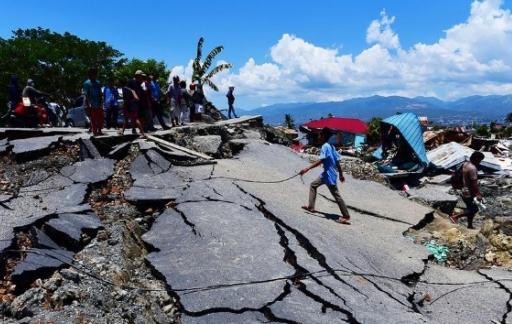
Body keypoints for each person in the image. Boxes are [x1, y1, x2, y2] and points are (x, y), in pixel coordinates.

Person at [300, 127, 351, 225]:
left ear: (323, 136)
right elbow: (337, 162)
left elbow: (321, 160)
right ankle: (311, 207)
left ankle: (346, 216)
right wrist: (340, 174)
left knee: (336, 195)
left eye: (320, 134)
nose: (318, 136)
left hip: (328, 175)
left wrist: (307, 168)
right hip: (327, 174)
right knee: (313, 185)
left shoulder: (325, 146)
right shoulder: (331, 146)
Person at [450, 151, 485, 229]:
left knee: (470, 208)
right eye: (480, 160)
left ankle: (470, 225)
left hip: (463, 190)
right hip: (469, 192)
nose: (480, 162)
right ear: (476, 159)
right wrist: (478, 194)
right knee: (474, 209)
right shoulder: (472, 168)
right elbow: (474, 184)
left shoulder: (465, 163)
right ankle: (455, 216)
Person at [83, 68, 103, 136]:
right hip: (91, 103)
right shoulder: (86, 83)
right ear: (90, 74)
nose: (95, 75)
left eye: (96, 74)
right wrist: (88, 104)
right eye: (94, 74)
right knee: (93, 119)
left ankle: (99, 130)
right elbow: (86, 94)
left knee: (100, 118)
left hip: (98, 103)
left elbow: (100, 93)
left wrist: (101, 102)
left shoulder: (98, 82)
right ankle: (95, 132)